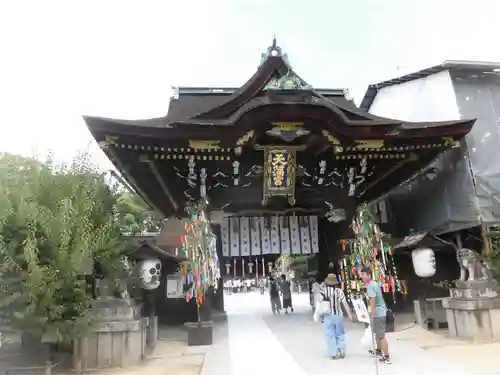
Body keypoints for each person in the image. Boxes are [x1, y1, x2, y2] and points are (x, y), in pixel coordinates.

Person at [360, 267, 391, 364]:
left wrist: (371, 314)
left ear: (369, 275)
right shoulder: (375, 284)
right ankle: (378, 350)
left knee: (381, 335)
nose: (362, 277)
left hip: (378, 313)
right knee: (378, 333)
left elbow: (372, 300)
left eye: (364, 275)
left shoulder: (370, 286)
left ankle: (386, 356)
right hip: (381, 311)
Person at [322, 273, 353, 359]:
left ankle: (334, 353)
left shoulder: (324, 291)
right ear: (335, 283)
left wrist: (320, 315)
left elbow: (320, 303)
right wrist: (349, 315)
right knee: (340, 333)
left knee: (330, 334)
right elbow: (345, 304)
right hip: (339, 315)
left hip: (328, 315)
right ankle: (341, 349)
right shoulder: (340, 291)